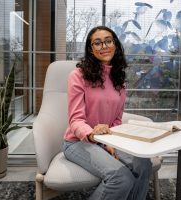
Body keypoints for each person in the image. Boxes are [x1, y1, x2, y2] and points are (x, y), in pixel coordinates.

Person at [63, 26, 152, 200]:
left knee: (144, 165)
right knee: (121, 179)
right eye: (97, 42)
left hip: (107, 140)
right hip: (78, 142)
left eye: (108, 41)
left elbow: (117, 119)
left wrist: (110, 142)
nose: (104, 46)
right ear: (91, 49)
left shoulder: (119, 79)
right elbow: (75, 120)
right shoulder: (78, 76)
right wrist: (92, 133)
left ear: (115, 44)